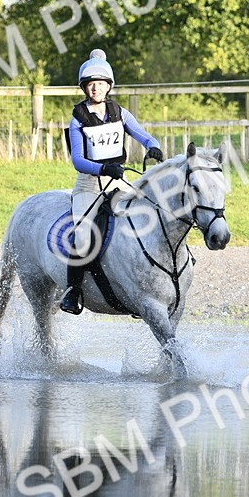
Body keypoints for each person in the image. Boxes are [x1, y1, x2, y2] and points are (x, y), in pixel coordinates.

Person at [61, 48, 163, 315]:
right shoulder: (78, 118)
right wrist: (104, 167)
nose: (95, 88)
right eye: (90, 84)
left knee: (150, 216)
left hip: (118, 181)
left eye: (100, 84)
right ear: (85, 88)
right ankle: (73, 291)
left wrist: (153, 146)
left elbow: (142, 134)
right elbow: (78, 160)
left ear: (108, 86)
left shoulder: (120, 112)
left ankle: (144, 284)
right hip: (89, 185)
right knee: (84, 236)